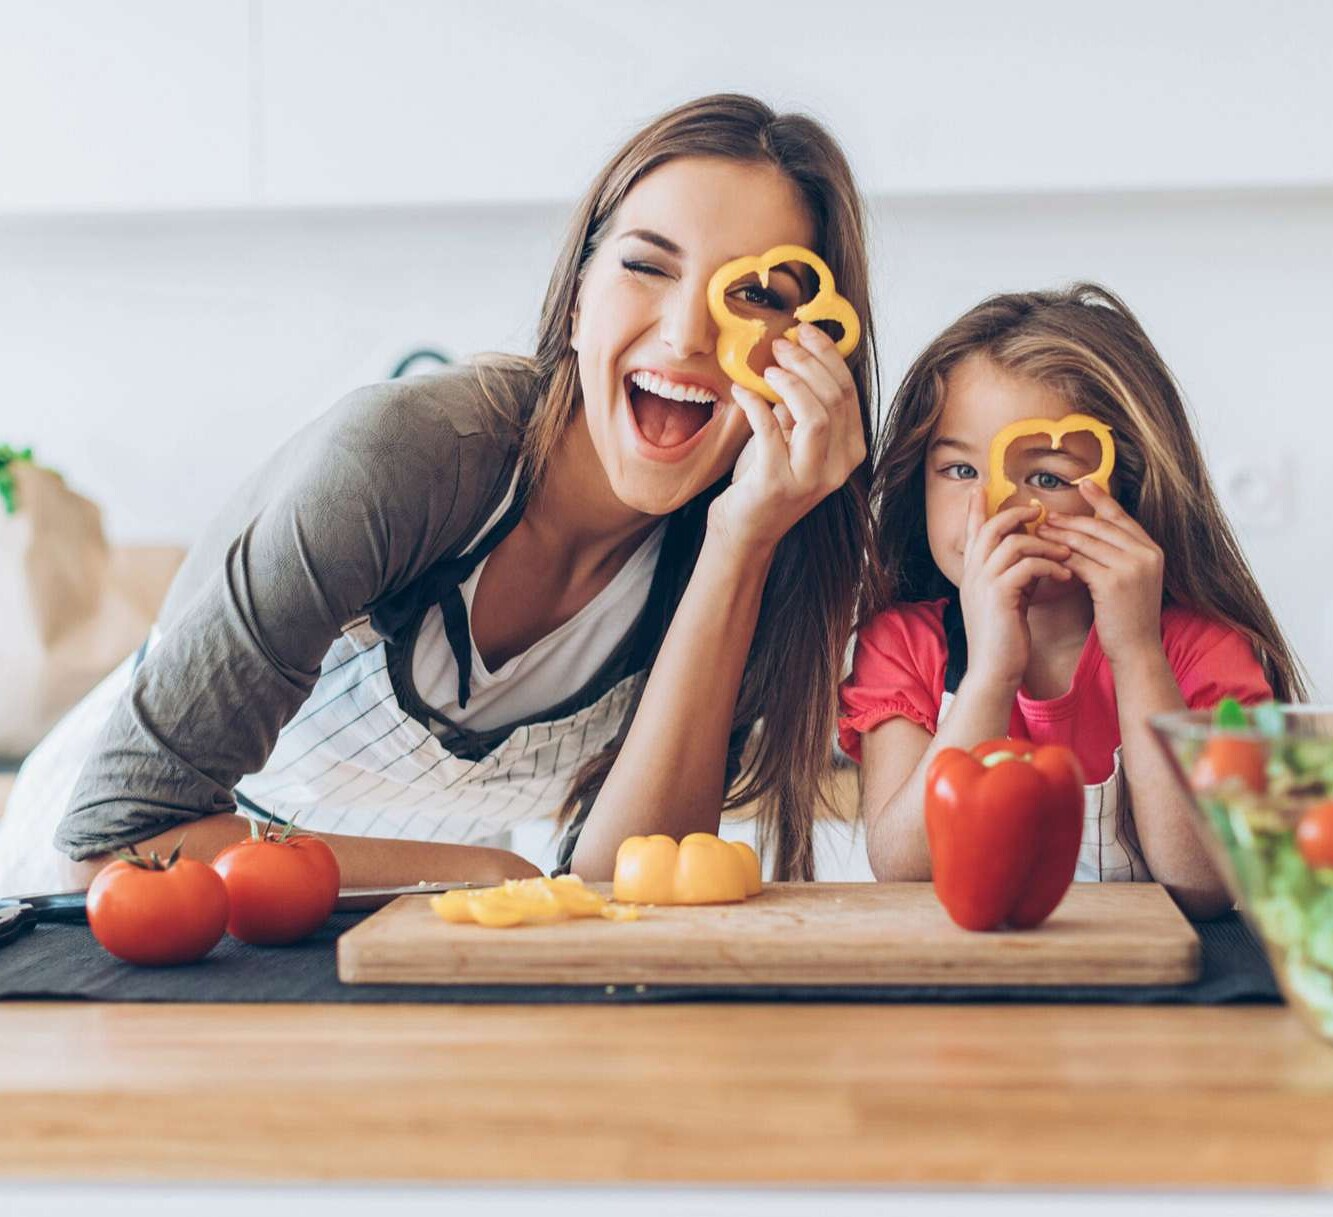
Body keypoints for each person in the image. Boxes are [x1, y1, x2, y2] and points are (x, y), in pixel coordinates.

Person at [0, 94, 879, 894]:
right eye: (648, 267)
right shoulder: (404, 461)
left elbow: (629, 887)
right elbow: (117, 837)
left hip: (400, 938)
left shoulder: (752, 551)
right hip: (116, 911)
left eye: (757, 294)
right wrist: (483, 869)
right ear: (577, 303)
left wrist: (740, 543)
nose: (687, 333)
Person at [840, 283, 1303, 918]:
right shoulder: (903, 647)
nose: (996, 507)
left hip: (1160, 997)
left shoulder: (1200, 652)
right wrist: (991, 673)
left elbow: (1205, 883)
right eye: (960, 471)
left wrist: (1137, 652)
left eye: (1048, 478)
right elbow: (904, 868)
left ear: (1129, 489)